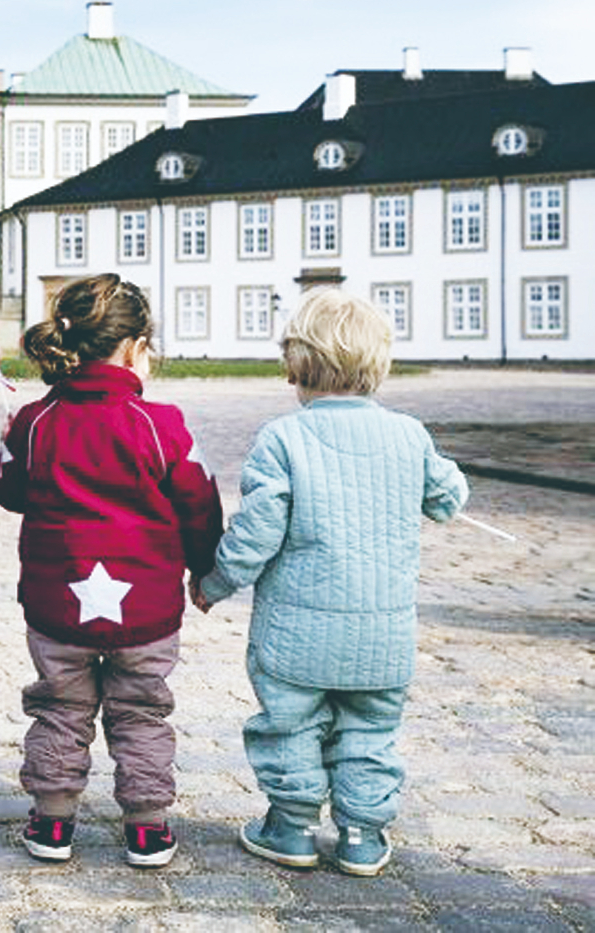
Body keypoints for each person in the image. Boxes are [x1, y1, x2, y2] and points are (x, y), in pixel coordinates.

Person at [192, 288, 467, 877]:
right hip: (383, 637)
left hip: (296, 634)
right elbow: (449, 498)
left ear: (296, 363)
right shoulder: (410, 435)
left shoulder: (283, 438)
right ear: (379, 364)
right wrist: (438, 491)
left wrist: (214, 583)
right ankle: (363, 834)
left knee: (288, 725)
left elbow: (257, 531)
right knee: (370, 732)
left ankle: (290, 827)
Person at [0, 273, 221, 868]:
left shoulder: (36, 421)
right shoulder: (160, 423)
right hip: (144, 610)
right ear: (135, 348)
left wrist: (5, 445)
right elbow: (199, 503)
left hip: (56, 606)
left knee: (60, 708)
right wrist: (205, 568)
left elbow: (9, 492)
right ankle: (147, 826)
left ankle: (52, 822)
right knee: (142, 710)